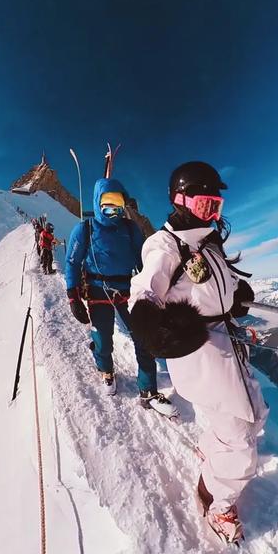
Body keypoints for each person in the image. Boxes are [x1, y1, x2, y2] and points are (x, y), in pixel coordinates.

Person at [127, 161, 267, 544]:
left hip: (225, 342)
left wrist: (236, 296)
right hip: (200, 349)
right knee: (240, 436)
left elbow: (217, 284)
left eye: (216, 207)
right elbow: (145, 290)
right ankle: (218, 503)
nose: (212, 214)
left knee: (252, 416)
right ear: (181, 200)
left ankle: (212, 454)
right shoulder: (164, 244)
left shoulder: (206, 243)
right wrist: (151, 327)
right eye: (205, 205)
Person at [65, 177, 177, 417]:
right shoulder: (84, 230)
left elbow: (143, 261)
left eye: (118, 203)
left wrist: (156, 289)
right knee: (103, 338)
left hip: (128, 289)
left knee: (143, 336)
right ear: (97, 203)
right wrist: (73, 296)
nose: (113, 209)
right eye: (107, 203)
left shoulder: (130, 229)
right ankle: (105, 369)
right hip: (97, 290)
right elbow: (73, 262)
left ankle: (148, 390)